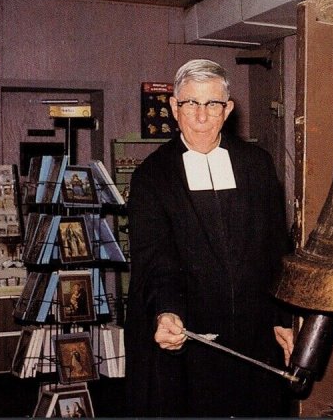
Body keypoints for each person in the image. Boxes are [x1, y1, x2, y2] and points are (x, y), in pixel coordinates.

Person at [124, 58, 294, 417]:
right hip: (191, 336)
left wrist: (282, 318)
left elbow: (277, 248)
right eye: (190, 104)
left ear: (228, 109)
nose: (201, 116)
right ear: (174, 107)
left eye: (212, 104)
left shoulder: (257, 166)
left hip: (253, 334)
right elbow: (154, 259)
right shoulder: (152, 176)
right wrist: (166, 311)